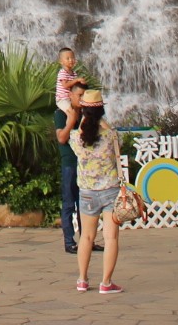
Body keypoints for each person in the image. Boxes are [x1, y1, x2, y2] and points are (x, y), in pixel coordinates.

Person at [69, 88, 125, 295]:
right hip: (110, 190)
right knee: (111, 238)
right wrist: (101, 121)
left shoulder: (76, 138)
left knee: (86, 238)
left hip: (87, 192)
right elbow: (118, 142)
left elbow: (81, 133)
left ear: (83, 112)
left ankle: (82, 280)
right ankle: (106, 282)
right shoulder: (111, 136)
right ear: (101, 111)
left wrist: (83, 119)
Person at [51, 46, 99, 255]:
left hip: (85, 165)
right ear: (70, 96)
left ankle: (88, 240)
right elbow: (61, 138)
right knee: (69, 203)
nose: (81, 98)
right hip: (70, 164)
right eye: (78, 95)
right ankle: (69, 242)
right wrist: (71, 121)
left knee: (86, 205)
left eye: (83, 95)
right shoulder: (62, 114)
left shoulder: (85, 115)